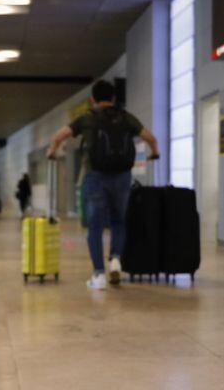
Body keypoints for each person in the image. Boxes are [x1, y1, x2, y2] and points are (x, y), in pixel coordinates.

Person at [47, 80, 159, 290]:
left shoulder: (87, 118)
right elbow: (150, 138)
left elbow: (59, 136)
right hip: (122, 177)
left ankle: (98, 274)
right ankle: (115, 259)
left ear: (93, 100)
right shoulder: (126, 117)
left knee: (95, 227)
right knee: (118, 221)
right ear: (114, 98)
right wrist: (155, 152)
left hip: (95, 177)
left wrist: (52, 151)